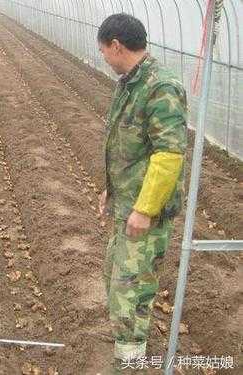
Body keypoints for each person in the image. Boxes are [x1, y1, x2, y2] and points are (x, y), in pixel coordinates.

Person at [97, 13, 187, 372]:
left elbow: (168, 155)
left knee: (130, 288)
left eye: (104, 50)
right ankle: (126, 347)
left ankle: (131, 363)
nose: (103, 57)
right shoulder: (131, 81)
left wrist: (145, 209)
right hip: (125, 201)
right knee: (113, 276)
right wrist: (111, 190)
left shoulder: (160, 86)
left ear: (117, 46)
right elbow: (127, 144)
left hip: (142, 211)